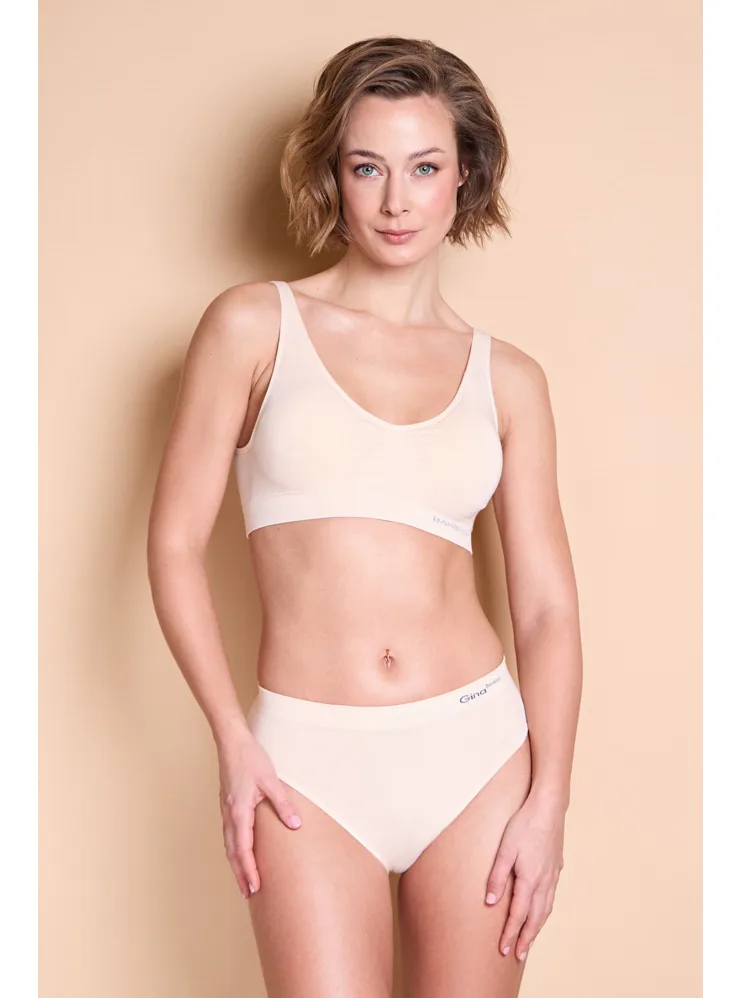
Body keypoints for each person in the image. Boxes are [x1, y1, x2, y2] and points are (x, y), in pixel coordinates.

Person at [147, 35, 582, 998]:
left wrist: (550, 796)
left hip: (477, 753)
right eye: (367, 167)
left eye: (424, 167)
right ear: (332, 176)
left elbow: (547, 605)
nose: (396, 200)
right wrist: (232, 739)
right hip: (305, 757)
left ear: (464, 175)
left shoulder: (510, 379)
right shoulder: (253, 325)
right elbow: (174, 546)